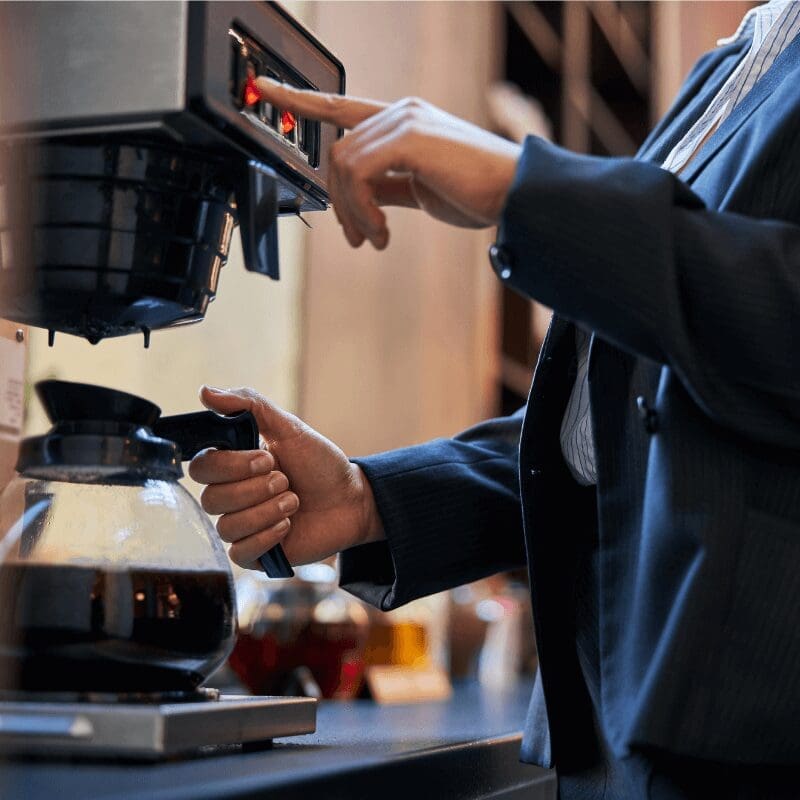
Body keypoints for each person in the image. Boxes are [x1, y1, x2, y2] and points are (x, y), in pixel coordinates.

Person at [190, 3, 800, 797]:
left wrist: (527, 188)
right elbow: (618, 426)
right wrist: (374, 501)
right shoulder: (756, 43)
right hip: (629, 718)